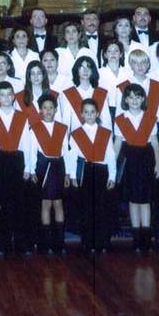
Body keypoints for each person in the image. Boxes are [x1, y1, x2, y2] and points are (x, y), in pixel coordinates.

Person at [0, 81, 33, 254]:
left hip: (17, 162)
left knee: (19, 204)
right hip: (0, 163)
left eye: (9, 94)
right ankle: (3, 242)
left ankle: (20, 242)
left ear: (14, 96)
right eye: (2, 95)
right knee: (1, 204)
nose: (6, 98)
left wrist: (28, 167)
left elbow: (26, 144)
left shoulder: (22, 117)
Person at [114, 84, 159, 252]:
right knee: (133, 200)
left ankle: (146, 238)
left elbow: (155, 142)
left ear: (143, 99)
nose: (134, 100)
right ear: (125, 100)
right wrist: (113, 165)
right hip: (130, 161)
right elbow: (118, 143)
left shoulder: (150, 118)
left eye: (138, 97)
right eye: (131, 97)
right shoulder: (121, 119)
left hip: (146, 160)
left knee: (145, 200)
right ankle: (136, 238)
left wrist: (158, 164)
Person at [65, 98, 117, 255]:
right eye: (86, 112)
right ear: (81, 114)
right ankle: (88, 242)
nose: (89, 115)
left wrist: (112, 176)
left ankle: (103, 241)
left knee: (102, 208)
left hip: (101, 172)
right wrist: (73, 175)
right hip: (86, 172)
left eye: (92, 112)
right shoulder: (76, 134)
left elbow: (110, 155)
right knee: (87, 209)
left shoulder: (105, 133)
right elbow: (72, 156)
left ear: (98, 113)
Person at [29, 94, 70, 253]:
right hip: (43, 168)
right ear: (40, 110)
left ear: (55, 110)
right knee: (45, 203)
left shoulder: (62, 128)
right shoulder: (35, 128)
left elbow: (66, 152)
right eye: (44, 108)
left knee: (58, 203)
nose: (48, 111)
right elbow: (32, 151)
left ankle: (59, 242)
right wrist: (31, 169)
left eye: (51, 108)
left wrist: (68, 174)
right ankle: (45, 242)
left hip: (58, 167)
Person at [59, 56, 111, 131]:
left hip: (98, 138)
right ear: (77, 70)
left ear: (93, 70)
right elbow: (66, 122)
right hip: (77, 139)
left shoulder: (101, 93)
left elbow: (106, 122)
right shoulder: (68, 93)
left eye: (88, 67)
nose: (85, 70)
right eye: (82, 67)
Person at [53, 22, 95, 90]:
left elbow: (94, 74)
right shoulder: (57, 52)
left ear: (79, 34)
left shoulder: (89, 53)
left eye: (74, 31)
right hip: (62, 89)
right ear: (64, 35)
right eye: (67, 32)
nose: (71, 35)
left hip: (85, 89)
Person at [98, 41, 132, 120]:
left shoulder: (129, 73)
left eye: (116, 51)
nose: (113, 54)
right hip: (106, 111)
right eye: (109, 51)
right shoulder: (99, 73)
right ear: (105, 55)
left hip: (125, 110)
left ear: (121, 54)